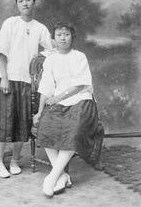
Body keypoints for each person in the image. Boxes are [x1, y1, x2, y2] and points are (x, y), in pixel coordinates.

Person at [0, 0, 54, 178]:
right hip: (5, 78)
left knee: (21, 122)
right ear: (17, 4)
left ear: (34, 1)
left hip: (26, 81)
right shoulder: (10, 23)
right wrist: (5, 78)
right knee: (3, 121)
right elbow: (0, 51)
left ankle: (15, 160)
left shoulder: (40, 28)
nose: (25, 3)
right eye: (21, 1)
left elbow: (52, 50)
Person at [33, 22, 99, 197]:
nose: (62, 38)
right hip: (58, 103)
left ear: (72, 37)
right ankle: (61, 175)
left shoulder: (79, 57)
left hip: (81, 100)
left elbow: (79, 85)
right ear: (53, 39)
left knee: (74, 128)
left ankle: (52, 177)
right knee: (45, 124)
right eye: (59, 35)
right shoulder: (51, 60)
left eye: (66, 34)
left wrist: (58, 98)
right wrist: (40, 112)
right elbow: (46, 88)